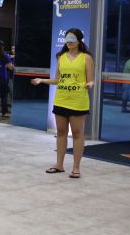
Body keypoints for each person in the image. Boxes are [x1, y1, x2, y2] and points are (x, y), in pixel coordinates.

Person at [31, 28, 94, 178]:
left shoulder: (86, 58)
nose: (69, 41)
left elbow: (91, 79)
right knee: (60, 132)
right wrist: (42, 80)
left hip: (78, 101)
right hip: (61, 99)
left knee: (77, 134)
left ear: (79, 41)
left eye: (72, 39)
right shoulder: (61, 57)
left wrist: (90, 84)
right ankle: (59, 165)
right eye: (67, 39)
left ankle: (76, 168)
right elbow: (57, 80)